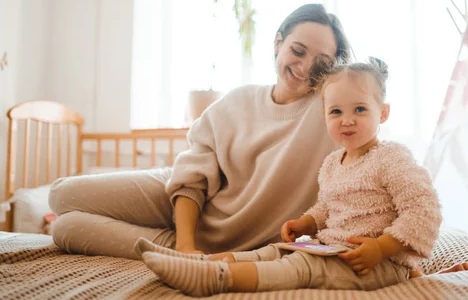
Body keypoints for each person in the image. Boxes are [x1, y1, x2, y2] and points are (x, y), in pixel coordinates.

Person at [48, 4, 353, 259]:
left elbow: (369, 119)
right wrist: (184, 246)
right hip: (182, 196)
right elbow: (191, 179)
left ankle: (176, 239)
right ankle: (179, 237)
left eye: (321, 63)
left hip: (217, 241)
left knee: (66, 228)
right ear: (278, 43)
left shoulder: (330, 113)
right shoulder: (238, 100)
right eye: (297, 51)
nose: (304, 67)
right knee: (61, 193)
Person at [135, 58, 445, 296]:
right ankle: (199, 262)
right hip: (332, 248)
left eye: (360, 109)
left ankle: (215, 279)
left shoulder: (392, 157)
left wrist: (382, 248)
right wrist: (306, 224)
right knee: (274, 251)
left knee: (300, 268)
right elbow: (326, 209)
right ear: (324, 115)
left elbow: (424, 210)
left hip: (376, 264)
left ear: (384, 113)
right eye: (336, 112)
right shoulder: (332, 163)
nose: (347, 120)